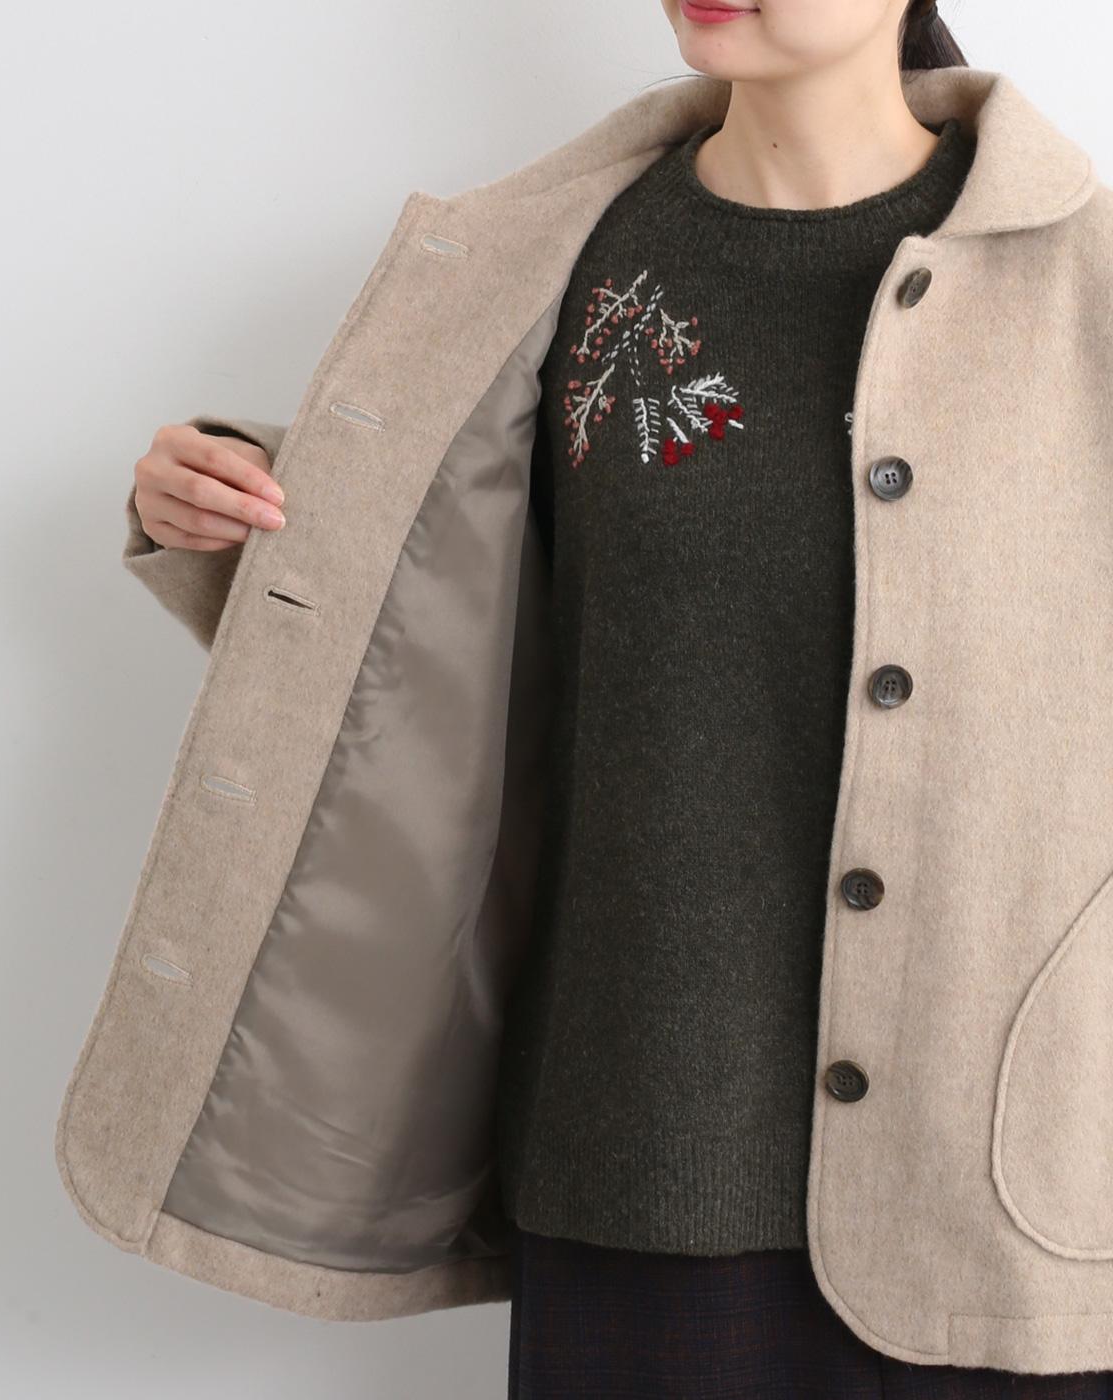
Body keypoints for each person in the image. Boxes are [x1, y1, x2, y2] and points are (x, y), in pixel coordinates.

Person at [87, 4, 1113, 1396]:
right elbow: (463, 622)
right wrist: (238, 505)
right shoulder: (557, 263)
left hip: (1008, 1174)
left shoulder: (1084, 278)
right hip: (644, 1142)